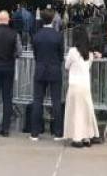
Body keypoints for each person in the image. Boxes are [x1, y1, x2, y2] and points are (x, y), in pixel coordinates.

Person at [30, 9, 65, 141]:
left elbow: (35, 54)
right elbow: (61, 55)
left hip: (40, 68)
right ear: (53, 19)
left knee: (37, 101)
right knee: (56, 101)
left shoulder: (36, 35)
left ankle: (35, 133)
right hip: (54, 69)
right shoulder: (58, 36)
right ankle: (57, 132)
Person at [63, 27, 101, 148]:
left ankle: (77, 137)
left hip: (74, 84)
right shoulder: (89, 53)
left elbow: (67, 65)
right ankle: (87, 136)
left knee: (75, 112)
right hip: (85, 85)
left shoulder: (73, 51)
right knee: (86, 111)